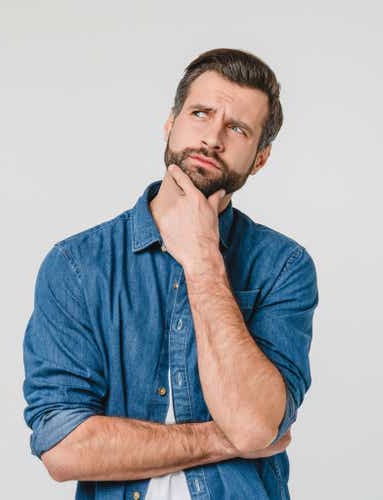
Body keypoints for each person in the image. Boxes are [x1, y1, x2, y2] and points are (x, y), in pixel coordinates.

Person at [22, 48, 319, 500]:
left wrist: (203, 259)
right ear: (170, 123)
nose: (212, 138)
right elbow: (63, 449)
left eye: (237, 128)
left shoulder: (284, 267)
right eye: (200, 114)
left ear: (260, 158)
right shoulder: (78, 265)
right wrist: (225, 440)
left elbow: (256, 422)